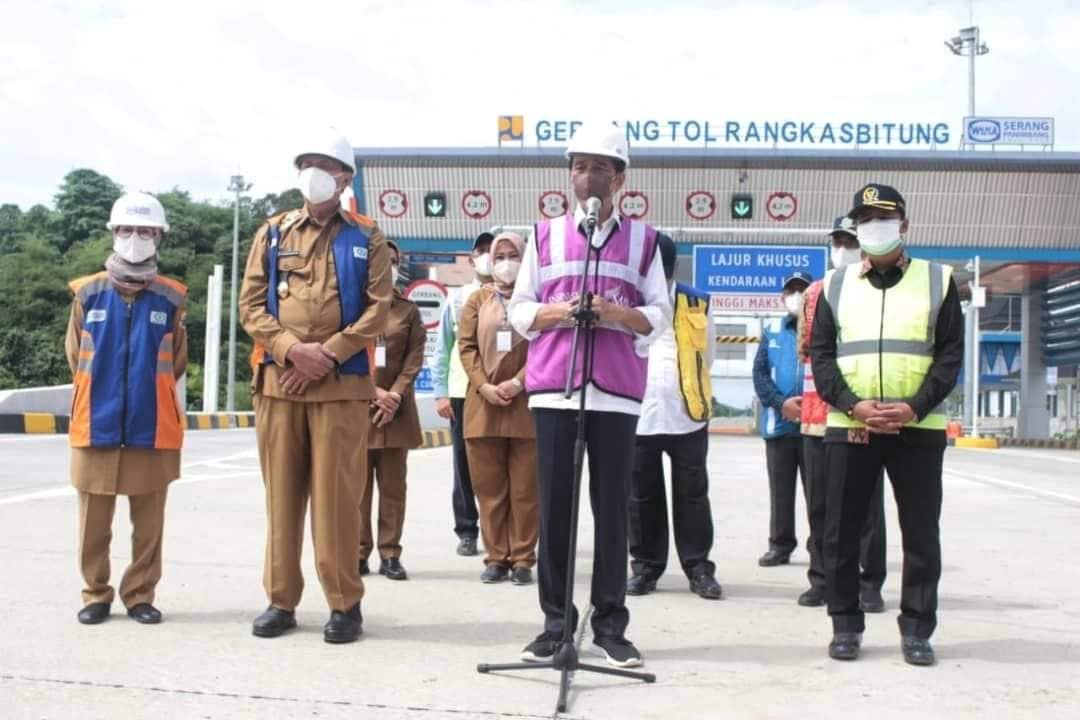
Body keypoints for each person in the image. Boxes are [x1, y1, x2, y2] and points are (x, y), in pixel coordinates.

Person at [509, 121, 671, 669]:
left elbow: (658, 317)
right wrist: (561, 312)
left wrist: (614, 313)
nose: (587, 175)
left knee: (611, 513)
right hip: (556, 390)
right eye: (579, 165)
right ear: (569, 175)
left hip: (616, 394)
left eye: (600, 166)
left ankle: (610, 625)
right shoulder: (542, 234)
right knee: (556, 511)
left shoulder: (647, 240)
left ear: (619, 177)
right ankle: (556, 624)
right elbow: (520, 309)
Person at [240, 129, 392, 644]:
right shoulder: (274, 231)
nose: (315, 172)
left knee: (336, 500)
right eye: (307, 163)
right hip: (279, 384)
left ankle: (344, 604)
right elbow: (251, 305)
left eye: (326, 164)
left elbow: (379, 310)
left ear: (346, 177)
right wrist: (290, 349)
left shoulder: (367, 236)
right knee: (281, 499)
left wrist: (326, 354)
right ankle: (280, 600)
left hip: (341, 385)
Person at [811, 183, 962, 666]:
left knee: (920, 532)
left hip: (916, 428)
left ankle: (917, 629)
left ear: (904, 225)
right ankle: (845, 624)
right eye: (865, 220)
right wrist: (853, 405)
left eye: (882, 218)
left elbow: (949, 357)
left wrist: (914, 406)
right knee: (840, 531)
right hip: (850, 425)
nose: (872, 228)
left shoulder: (939, 281)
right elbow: (823, 357)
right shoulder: (833, 286)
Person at [67, 192, 187, 626]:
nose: (136, 238)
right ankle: (95, 593)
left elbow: (176, 364)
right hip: (94, 424)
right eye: (128, 230)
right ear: (114, 233)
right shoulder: (87, 295)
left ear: (159, 237)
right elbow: (74, 355)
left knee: (149, 525)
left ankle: (140, 595)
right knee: (92, 525)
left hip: (152, 426)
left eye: (146, 231)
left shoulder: (171, 300)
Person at [797, 217, 887, 611]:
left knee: (867, 506)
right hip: (820, 414)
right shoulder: (817, 292)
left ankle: (869, 584)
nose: (844, 248)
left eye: (850, 240)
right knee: (820, 505)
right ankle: (823, 579)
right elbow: (807, 347)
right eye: (839, 241)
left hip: (865, 412)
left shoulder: (881, 290)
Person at [627, 233, 722, 600]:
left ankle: (699, 568)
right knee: (641, 497)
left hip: (688, 414)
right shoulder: (629, 304)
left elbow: (707, 355)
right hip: (639, 414)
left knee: (693, 495)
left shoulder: (697, 301)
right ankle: (646, 569)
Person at [458, 231, 538, 585]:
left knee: (525, 490)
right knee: (489, 489)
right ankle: (496, 557)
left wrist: (518, 382)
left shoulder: (537, 299)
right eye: (500, 254)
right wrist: (484, 385)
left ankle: (522, 558)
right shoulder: (477, 299)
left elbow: (545, 347)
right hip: (483, 405)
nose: (506, 261)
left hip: (525, 404)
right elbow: (466, 347)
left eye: (513, 254)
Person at [359, 240, 425, 581]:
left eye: (394, 260)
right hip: (358, 408)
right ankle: (358, 552)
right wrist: (373, 392)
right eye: (382, 259)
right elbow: (343, 353)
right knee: (357, 488)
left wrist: (394, 395)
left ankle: (390, 553)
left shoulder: (408, 311)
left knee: (393, 487)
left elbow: (414, 360)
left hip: (396, 412)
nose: (389, 265)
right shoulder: (353, 306)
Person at [432, 232, 494, 556]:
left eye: (492, 251)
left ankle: (504, 531)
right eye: (480, 251)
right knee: (464, 465)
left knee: (504, 465)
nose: (487, 256)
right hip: (463, 391)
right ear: (471, 259)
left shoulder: (515, 296)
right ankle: (467, 530)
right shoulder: (457, 299)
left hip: (501, 392)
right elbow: (442, 347)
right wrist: (441, 392)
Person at [752, 271, 812, 567]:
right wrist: (780, 402)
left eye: (803, 290)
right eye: (792, 290)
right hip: (779, 425)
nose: (797, 296)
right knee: (781, 491)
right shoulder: (772, 330)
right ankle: (780, 545)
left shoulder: (824, 328)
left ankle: (821, 546)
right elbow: (759, 374)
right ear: (783, 296)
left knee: (819, 493)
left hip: (816, 428)